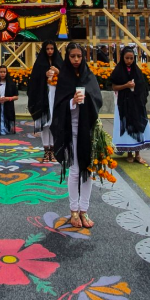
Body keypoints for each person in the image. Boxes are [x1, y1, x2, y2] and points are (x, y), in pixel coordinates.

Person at [51, 43, 103, 229]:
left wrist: (86, 99)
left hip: (87, 130)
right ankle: (74, 210)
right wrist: (72, 102)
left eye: (79, 56)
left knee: (87, 170)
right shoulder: (64, 76)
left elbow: (98, 99)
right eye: (72, 56)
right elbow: (58, 106)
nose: (75, 60)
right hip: (70, 129)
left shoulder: (89, 76)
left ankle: (84, 210)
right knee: (74, 171)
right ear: (67, 57)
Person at [108, 47, 150, 163]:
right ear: (122, 58)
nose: (129, 61)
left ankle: (137, 154)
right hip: (124, 104)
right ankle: (129, 152)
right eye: (127, 58)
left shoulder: (137, 71)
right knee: (127, 127)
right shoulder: (118, 71)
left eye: (131, 58)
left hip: (137, 104)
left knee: (138, 126)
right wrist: (126, 86)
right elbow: (114, 87)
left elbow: (143, 86)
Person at [27, 41, 63, 163]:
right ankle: (46, 150)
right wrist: (44, 75)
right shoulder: (40, 64)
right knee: (45, 125)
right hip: (43, 97)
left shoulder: (59, 63)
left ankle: (53, 150)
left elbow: (68, 78)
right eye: (47, 49)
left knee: (54, 124)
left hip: (56, 97)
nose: (50, 51)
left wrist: (58, 72)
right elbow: (34, 81)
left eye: (52, 48)